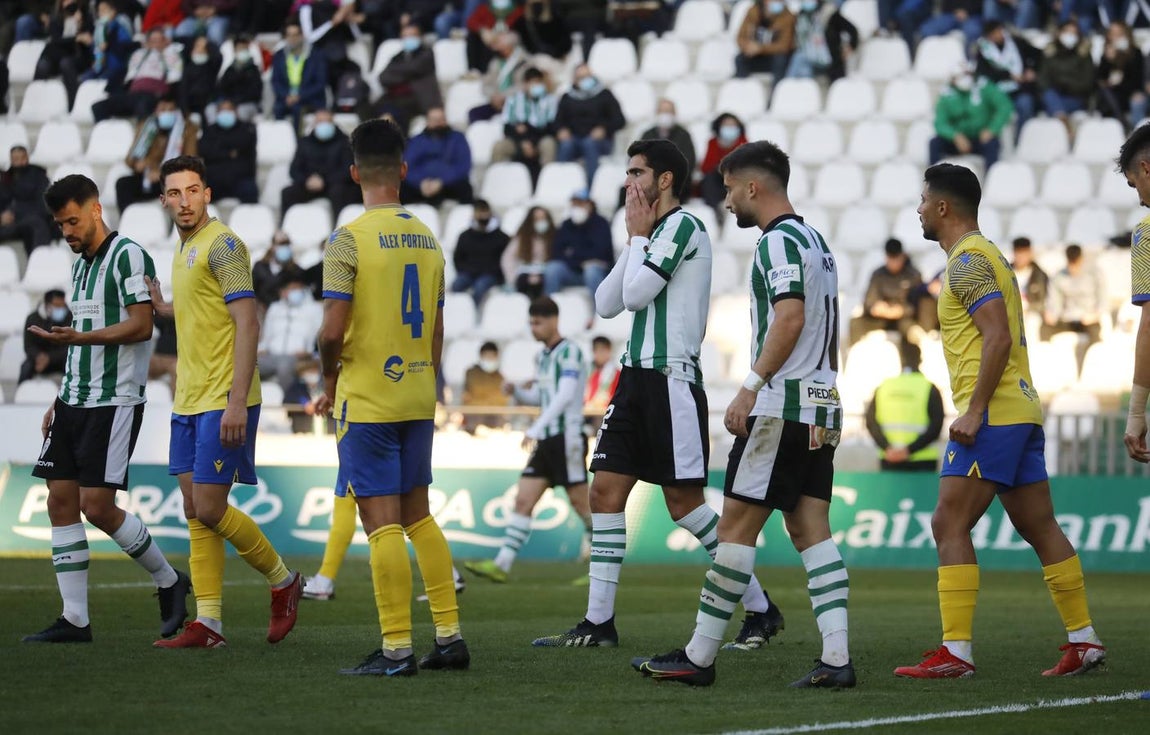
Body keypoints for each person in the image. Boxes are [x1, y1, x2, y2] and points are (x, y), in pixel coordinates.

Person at [532, 139, 783, 652]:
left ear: (664, 179)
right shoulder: (647, 234)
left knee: (685, 506)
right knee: (604, 493)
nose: (629, 182)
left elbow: (634, 296)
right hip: (633, 379)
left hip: (671, 380)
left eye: (637, 172)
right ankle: (598, 623)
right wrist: (633, 241)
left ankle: (760, 607)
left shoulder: (685, 226)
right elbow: (605, 304)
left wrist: (639, 238)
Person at [631, 139, 851, 688]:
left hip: (782, 407)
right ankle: (837, 659)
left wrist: (751, 386)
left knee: (733, 530)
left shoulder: (777, 242)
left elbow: (790, 316)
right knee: (811, 531)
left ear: (754, 187)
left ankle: (698, 657)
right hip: (821, 406)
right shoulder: (817, 242)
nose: (727, 201)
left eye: (730, 190)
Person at [894, 163, 1105, 679]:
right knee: (1039, 525)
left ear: (943, 206)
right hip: (1020, 410)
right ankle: (1084, 640)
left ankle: (956, 653)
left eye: (923, 200)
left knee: (947, 522)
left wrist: (974, 410)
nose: (918, 210)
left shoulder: (967, 262)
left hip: (993, 415)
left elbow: (997, 337)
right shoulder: (990, 257)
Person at [313, 117, 469, 676]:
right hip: (417, 394)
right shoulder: (430, 239)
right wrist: (425, 379)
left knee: (380, 523)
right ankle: (449, 637)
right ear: (403, 170)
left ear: (355, 174)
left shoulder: (347, 240)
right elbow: (437, 328)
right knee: (418, 516)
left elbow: (331, 332)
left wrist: (328, 380)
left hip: (369, 398)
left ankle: (397, 648)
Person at [23, 174, 191, 644]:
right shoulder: (80, 267)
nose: (67, 232)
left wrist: (81, 337)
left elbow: (141, 326)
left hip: (114, 401)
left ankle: (169, 580)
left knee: (96, 506)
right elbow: (83, 340)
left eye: (72, 221)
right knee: (59, 501)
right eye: (60, 225)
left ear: (96, 210)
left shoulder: (129, 256)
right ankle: (75, 619)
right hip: (74, 400)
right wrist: (59, 398)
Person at [147, 155, 303, 648]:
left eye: (192, 190)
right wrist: (164, 308)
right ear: (164, 200)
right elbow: (204, 306)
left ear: (207, 194)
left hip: (224, 395)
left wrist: (237, 402)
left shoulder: (225, 245)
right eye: (175, 193)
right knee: (194, 507)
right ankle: (209, 624)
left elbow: (248, 322)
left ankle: (283, 581)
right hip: (189, 396)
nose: (184, 201)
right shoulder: (184, 247)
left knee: (211, 508)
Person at [465, 297, 593, 582]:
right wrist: (518, 392)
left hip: (567, 438)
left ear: (553, 320)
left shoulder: (570, 352)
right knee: (523, 499)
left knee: (582, 505)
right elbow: (543, 397)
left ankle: (600, 566)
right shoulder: (543, 357)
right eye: (531, 323)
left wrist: (536, 427)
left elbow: (565, 395)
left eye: (538, 322)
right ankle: (502, 564)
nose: (533, 328)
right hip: (547, 439)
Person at [1118, 124, 1150, 464]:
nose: (1139, 197)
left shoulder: (1147, 232)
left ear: (1146, 169)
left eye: (1133, 184)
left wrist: (1137, 411)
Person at [865, 340, 944, 472]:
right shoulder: (929, 388)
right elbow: (936, 425)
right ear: (920, 360)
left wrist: (887, 448)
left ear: (900, 360)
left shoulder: (883, 387)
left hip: (889, 459)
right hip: (922, 461)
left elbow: (870, 421)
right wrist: (908, 450)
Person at [116, 96, 199, 213]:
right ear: (156, 111)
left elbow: (190, 162)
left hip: (172, 179)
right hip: (147, 176)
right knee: (123, 184)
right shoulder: (146, 126)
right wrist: (137, 164)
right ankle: (128, 218)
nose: (167, 113)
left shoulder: (187, 129)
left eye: (171, 110)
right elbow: (129, 160)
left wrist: (162, 173)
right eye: (163, 109)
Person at [929, 63, 1012, 170]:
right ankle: (933, 177)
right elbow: (940, 123)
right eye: (961, 76)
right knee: (934, 143)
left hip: (980, 138)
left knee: (992, 144)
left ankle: (990, 177)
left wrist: (992, 129)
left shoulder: (984, 87)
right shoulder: (946, 94)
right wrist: (955, 136)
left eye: (968, 74)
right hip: (957, 140)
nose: (966, 78)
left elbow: (1005, 106)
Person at [280, 110, 358, 220]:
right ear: (314, 124)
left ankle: (340, 227)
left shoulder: (345, 142)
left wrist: (324, 181)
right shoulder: (305, 142)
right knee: (288, 193)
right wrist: (307, 180)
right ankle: (284, 226)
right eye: (320, 121)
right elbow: (294, 170)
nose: (323, 125)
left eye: (327, 121)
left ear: (333, 123)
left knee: (339, 192)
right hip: (310, 184)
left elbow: (347, 171)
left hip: (334, 185)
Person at [554, 64, 626, 184]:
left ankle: (591, 187)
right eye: (581, 78)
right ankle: (561, 183)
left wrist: (604, 129)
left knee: (589, 144)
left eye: (588, 76)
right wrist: (561, 130)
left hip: (599, 141)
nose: (585, 80)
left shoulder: (605, 95)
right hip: (574, 139)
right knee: (566, 145)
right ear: (574, 80)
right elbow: (557, 121)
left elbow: (620, 120)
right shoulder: (567, 97)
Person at [92, 28, 184, 122]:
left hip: (155, 95)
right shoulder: (139, 54)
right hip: (134, 94)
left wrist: (167, 99)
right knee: (98, 107)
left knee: (143, 105)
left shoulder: (172, 55)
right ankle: (103, 130)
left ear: (165, 41)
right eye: (153, 41)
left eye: (159, 40)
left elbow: (174, 81)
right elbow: (129, 79)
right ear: (148, 42)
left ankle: (143, 130)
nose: (156, 44)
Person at [974, 19, 1042, 142]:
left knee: (1025, 104)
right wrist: (1008, 75)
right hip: (997, 91)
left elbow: (1038, 55)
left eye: (999, 31)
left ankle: (1022, 140)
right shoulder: (983, 51)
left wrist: (1031, 69)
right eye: (993, 33)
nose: (998, 35)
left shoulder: (1017, 43)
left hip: (1019, 89)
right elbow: (983, 73)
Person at [848, 238, 924, 346]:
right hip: (880, 318)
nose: (893, 263)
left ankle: (913, 356)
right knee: (856, 323)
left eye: (896, 258)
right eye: (890, 258)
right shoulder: (878, 275)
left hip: (904, 319)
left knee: (912, 331)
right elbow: (869, 301)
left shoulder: (913, 275)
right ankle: (855, 353)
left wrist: (901, 310)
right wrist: (877, 309)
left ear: (902, 256)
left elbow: (918, 304)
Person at [492, 66, 558, 184]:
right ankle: (498, 183)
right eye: (533, 83)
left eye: (539, 82)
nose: (537, 86)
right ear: (525, 84)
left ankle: (546, 184)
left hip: (540, 140)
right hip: (518, 141)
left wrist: (529, 136)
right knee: (499, 147)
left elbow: (550, 128)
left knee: (548, 144)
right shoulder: (513, 100)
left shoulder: (550, 101)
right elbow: (507, 128)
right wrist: (523, 142)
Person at [258, 272, 323, 390]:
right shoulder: (275, 308)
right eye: (292, 288)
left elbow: (319, 336)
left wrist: (310, 351)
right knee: (248, 364)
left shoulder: (314, 309)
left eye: (298, 288)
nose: (296, 292)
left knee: (284, 366)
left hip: (297, 356)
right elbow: (267, 337)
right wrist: (260, 349)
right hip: (271, 355)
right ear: (283, 291)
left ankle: (285, 399)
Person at [544, 190, 614, 298]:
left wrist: (573, 253)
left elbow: (602, 253)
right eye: (574, 204)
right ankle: (549, 305)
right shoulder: (566, 225)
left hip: (596, 272)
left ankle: (599, 308)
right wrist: (581, 261)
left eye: (580, 204)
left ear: (589, 204)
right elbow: (557, 253)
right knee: (552, 268)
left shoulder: (601, 223)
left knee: (591, 270)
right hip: (572, 272)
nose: (576, 208)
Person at [374, 23, 443, 133]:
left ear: (420, 37)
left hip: (417, 98)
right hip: (393, 97)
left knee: (397, 112)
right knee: (372, 108)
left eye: (412, 35)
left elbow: (414, 68)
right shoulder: (397, 56)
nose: (409, 39)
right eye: (406, 36)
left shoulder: (427, 53)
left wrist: (396, 72)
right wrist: (405, 73)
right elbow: (383, 77)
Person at [400, 107, 474, 206]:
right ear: (427, 121)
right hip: (421, 185)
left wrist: (441, 181)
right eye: (434, 120)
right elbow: (407, 166)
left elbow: (463, 166)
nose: (438, 123)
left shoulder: (458, 139)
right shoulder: (416, 141)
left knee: (465, 188)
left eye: (441, 119)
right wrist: (420, 182)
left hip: (449, 184)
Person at [1041, 244, 1105, 347]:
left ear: (1081, 259)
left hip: (1088, 319)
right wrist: (1051, 314)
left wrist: (1095, 315)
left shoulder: (1094, 274)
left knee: (1095, 335)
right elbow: (1054, 301)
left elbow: (1103, 300)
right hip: (1066, 319)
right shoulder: (1059, 276)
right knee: (1045, 328)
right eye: (1071, 263)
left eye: (1075, 263)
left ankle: (1093, 357)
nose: (1073, 267)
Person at [199, 99, 258, 203]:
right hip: (215, 178)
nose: (226, 113)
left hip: (240, 178)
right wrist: (229, 153)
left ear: (236, 112)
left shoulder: (247, 129)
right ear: (217, 113)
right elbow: (205, 151)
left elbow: (244, 145)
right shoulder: (209, 130)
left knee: (250, 191)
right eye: (223, 110)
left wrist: (219, 149)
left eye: (229, 110)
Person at [1040, 21, 1096, 132]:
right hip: (1054, 95)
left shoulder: (1084, 54)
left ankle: (1062, 121)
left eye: (1074, 33)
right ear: (1059, 33)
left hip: (1076, 98)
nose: (1070, 36)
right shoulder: (1050, 53)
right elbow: (1042, 79)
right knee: (1049, 95)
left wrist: (1067, 85)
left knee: (1052, 103)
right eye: (1067, 32)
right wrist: (1057, 86)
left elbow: (1088, 82)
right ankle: (1064, 122)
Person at [271, 21, 329, 128]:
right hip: (287, 97)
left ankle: (298, 138)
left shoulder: (316, 55)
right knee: (278, 109)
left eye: (295, 35)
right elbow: (276, 81)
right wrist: (286, 95)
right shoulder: (279, 55)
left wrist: (300, 96)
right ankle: (280, 137)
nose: (292, 38)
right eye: (289, 35)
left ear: (302, 35)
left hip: (310, 98)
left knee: (297, 109)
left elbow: (320, 83)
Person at [452, 199, 509, 306]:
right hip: (468, 272)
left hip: (491, 274)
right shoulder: (465, 236)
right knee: (457, 285)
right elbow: (458, 258)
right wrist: (465, 270)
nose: (482, 216)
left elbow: (505, 260)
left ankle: (473, 312)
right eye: (479, 212)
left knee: (480, 286)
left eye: (484, 212)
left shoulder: (502, 237)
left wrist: (496, 274)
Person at [1, 145, 55, 255]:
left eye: (22, 158)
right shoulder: (5, 178)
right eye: (16, 159)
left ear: (27, 158)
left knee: (38, 225)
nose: (19, 162)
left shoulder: (39, 176)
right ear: (11, 160)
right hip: (7, 226)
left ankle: (39, 262)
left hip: (30, 220)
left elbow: (43, 206)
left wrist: (15, 214)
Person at [787, 0, 859, 81]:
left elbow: (852, 30)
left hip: (832, 60)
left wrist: (850, 47)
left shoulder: (830, 14)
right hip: (809, 60)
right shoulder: (802, 15)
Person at [1097, 21, 1148, 131]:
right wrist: (1109, 61)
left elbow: (1137, 79)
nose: (1117, 37)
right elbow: (1100, 79)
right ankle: (1122, 124)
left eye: (1120, 34)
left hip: (1131, 92)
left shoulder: (1136, 53)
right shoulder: (1106, 55)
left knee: (1137, 101)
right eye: (1113, 34)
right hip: (1114, 96)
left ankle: (1136, 134)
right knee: (1105, 94)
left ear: (1127, 34)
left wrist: (1124, 55)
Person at [638, 100, 696, 186]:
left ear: (674, 114)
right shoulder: (648, 135)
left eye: (668, 111)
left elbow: (689, 161)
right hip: (650, 181)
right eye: (662, 111)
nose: (665, 115)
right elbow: (637, 159)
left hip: (676, 182)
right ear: (657, 113)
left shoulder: (683, 135)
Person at [20, 290, 72, 383]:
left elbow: (69, 345)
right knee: (26, 367)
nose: (61, 309)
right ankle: (21, 390)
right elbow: (28, 346)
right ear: (47, 305)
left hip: (59, 359)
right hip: (38, 359)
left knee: (70, 365)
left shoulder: (69, 318)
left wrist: (49, 358)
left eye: (62, 305)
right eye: (57, 306)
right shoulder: (32, 319)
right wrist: (38, 356)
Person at [735, 0, 796, 79]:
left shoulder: (788, 16)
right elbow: (740, 37)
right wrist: (748, 47)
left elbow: (784, 46)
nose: (779, 2)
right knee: (740, 59)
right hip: (756, 56)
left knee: (780, 60)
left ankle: (777, 86)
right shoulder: (753, 12)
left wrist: (760, 48)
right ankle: (743, 85)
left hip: (775, 56)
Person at [502, 205, 553, 299]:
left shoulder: (554, 238)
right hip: (524, 274)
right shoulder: (521, 238)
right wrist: (512, 279)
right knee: (525, 282)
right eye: (537, 219)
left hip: (545, 273)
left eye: (543, 218)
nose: (541, 222)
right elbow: (507, 259)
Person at [701, 114, 748, 214]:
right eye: (726, 125)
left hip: (736, 179)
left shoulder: (743, 143)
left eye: (733, 126)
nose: (729, 128)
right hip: (718, 181)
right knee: (709, 179)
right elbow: (706, 167)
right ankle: (717, 208)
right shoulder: (713, 142)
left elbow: (746, 166)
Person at [213, 34, 263, 122]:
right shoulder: (229, 70)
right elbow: (221, 88)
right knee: (212, 110)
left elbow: (255, 93)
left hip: (247, 104)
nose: (242, 51)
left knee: (241, 111)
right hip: (228, 103)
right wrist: (225, 103)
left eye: (245, 49)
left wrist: (234, 103)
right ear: (235, 51)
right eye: (240, 49)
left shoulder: (254, 70)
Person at [1011, 236, 1048, 320]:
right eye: (1018, 253)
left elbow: (1044, 302)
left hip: (1032, 316)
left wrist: (1027, 307)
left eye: (1024, 253)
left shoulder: (1040, 276)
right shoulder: (1004, 273)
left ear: (1030, 253)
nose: (1021, 257)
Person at [584, 335, 619, 423]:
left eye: (603, 350)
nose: (600, 354)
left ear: (609, 351)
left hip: (606, 415)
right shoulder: (587, 372)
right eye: (597, 350)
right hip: (586, 413)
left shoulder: (617, 374)